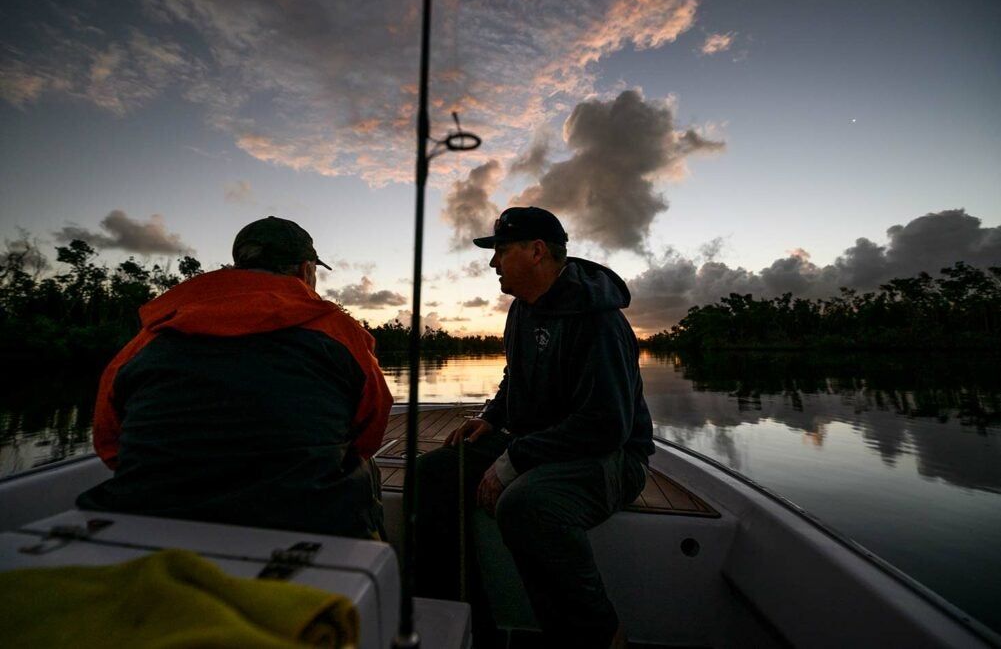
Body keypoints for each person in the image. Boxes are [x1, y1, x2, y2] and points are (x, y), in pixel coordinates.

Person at [415, 206, 654, 647]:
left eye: (502, 251)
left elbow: (606, 426)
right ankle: (463, 624)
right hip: (537, 444)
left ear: (537, 252)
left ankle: (601, 637)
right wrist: (492, 417)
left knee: (528, 505)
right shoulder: (523, 310)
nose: (492, 263)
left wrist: (515, 459)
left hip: (611, 458)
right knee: (432, 475)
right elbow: (516, 375)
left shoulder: (599, 321)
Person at [78, 217, 393, 540]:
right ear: (305, 270)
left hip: (148, 525)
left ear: (239, 265)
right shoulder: (343, 335)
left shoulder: (149, 338)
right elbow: (368, 436)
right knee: (365, 471)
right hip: (302, 525)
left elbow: (110, 444)